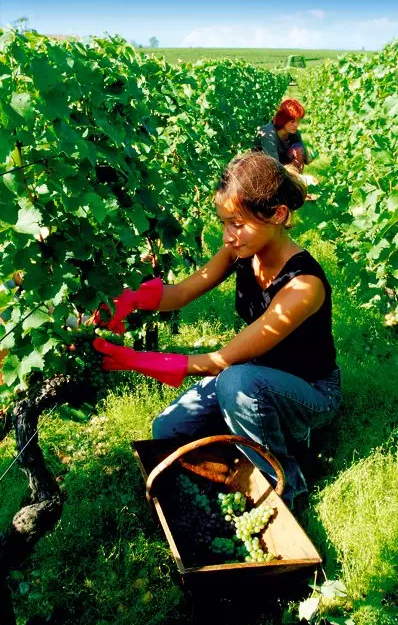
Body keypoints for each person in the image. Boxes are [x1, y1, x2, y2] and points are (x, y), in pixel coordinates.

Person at [93, 152, 341, 508]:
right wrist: (127, 300)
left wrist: (134, 360)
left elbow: (220, 361)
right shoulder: (242, 252)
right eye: (224, 222)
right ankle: (250, 441)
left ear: (278, 214)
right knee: (168, 430)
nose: (228, 236)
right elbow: (180, 293)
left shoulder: (304, 286)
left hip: (309, 390)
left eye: (237, 223)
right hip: (257, 375)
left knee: (235, 381)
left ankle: (287, 490)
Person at [253, 99, 315, 175]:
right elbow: (273, 166)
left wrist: (313, 153)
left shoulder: (294, 133)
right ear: (283, 120)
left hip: (282, 164)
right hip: (263, 168)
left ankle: (296, 180)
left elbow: (306, 159)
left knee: (298, 149)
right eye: (292, 121)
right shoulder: (268, 133)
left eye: (298, 121)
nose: (296, 125)